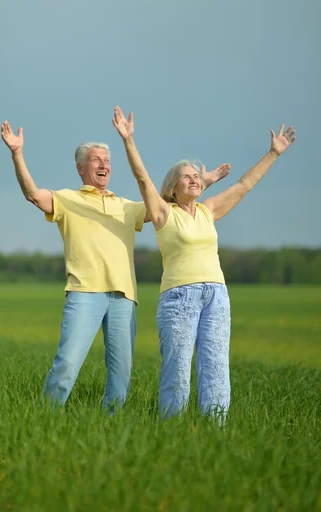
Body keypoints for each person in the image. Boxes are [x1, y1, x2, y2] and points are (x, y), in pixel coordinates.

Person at [0, 120, 230, 408]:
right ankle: (45, 416)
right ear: (81, 167)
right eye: (96, 159)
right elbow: (33, 194)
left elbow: (166, 203)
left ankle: (111, 426)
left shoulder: (126, 206)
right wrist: (17, 154)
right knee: (67, 364)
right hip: (84, 292)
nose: (103, 165)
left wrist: (201, 182)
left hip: (124, 298)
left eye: (107, 160)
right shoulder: (67, 199)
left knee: (121, 376)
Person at [112, 105, 296, 418]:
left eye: (197, 176)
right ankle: (172, 429)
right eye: (187, 177)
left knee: (215, 366)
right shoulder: (163, 214)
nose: (194, 180)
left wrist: (274, 153)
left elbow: (243, 185)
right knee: (178, 370)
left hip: (217, 296)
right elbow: (142, 179)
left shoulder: (209, 210)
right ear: (173, 186)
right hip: (179, 297)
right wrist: (128, 140)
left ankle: (215, 431)